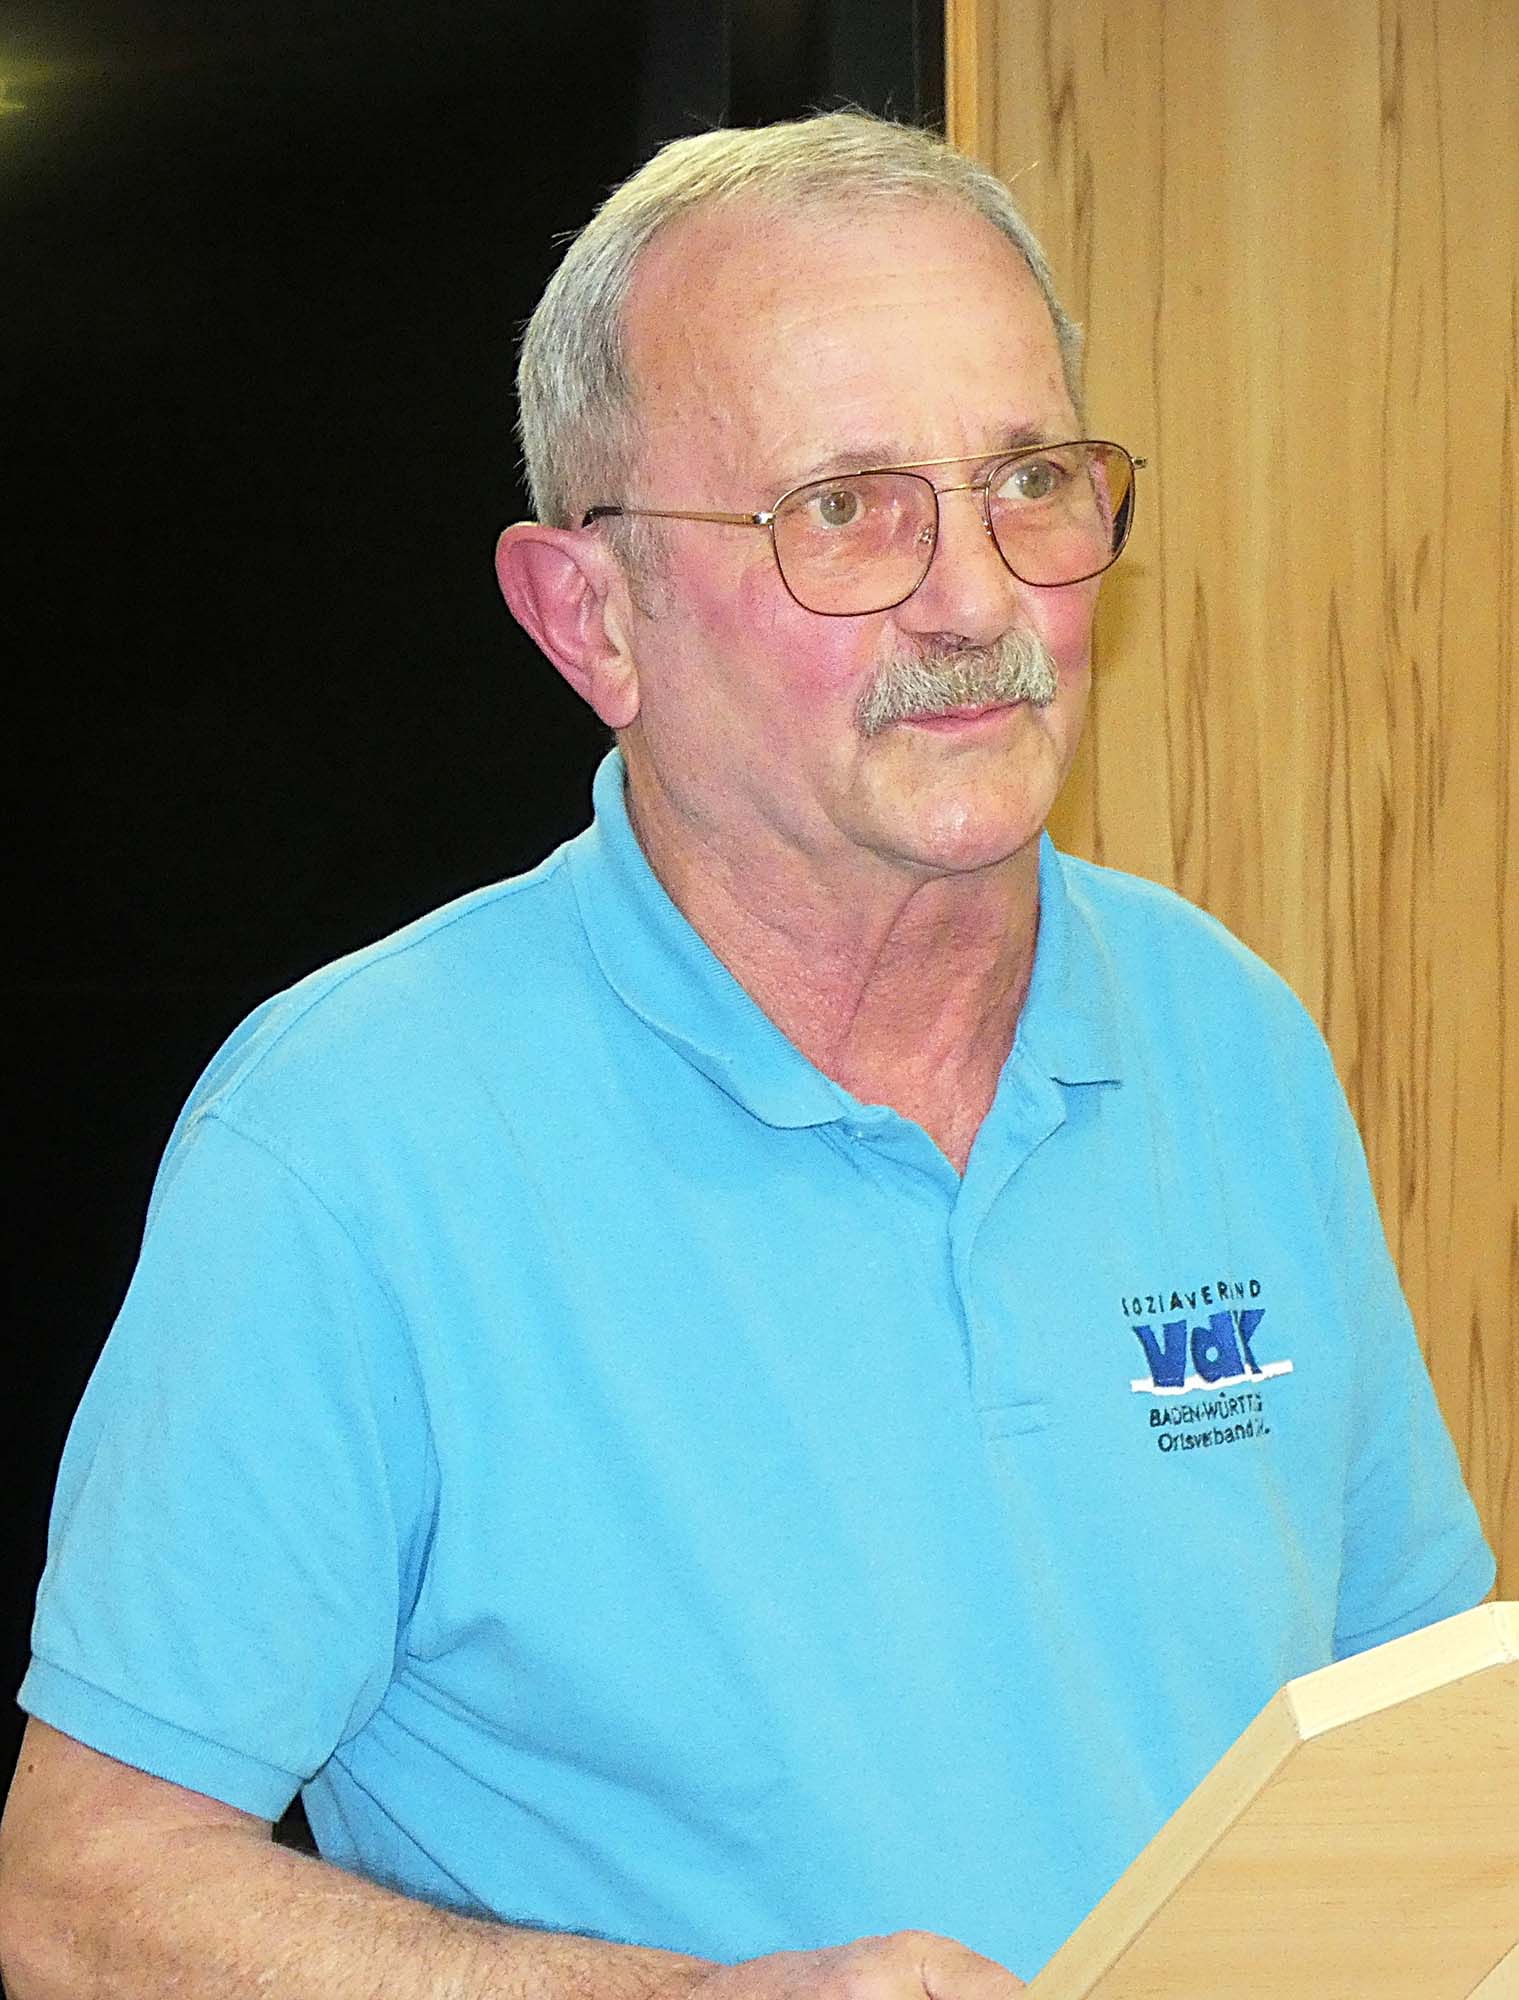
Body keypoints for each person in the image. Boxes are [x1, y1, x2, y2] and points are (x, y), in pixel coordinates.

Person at [0, 112, 1494, 2000]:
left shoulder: (1231, 1039)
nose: (976, 600)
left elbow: (1417, 1745)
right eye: (844, 509)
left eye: (1029, 480)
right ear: (591, 619)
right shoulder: (348, 1146)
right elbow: (81, 1901)